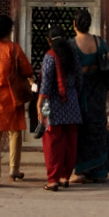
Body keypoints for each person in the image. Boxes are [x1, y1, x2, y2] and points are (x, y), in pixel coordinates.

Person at [0, 13, 33, 187]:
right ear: (8, 30)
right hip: (12, 95)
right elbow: (26, 69)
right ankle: (14, 169)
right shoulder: (14, 48)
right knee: (15, 132)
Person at [70, 8, 109, 182]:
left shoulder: (71, 45)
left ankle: (82, 171)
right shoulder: (100, 43)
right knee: (98, 128)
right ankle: (99, 171)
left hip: (79, 93)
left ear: (74, 25)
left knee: (81, 130)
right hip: (98, 92)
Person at [37, 23, 83, 191]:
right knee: (70, 143)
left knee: (52, 143)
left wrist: (39, 103)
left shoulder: (50, 57)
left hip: (53, 105)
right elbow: (79, 80)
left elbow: (46, 84)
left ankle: (53, 179)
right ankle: (65, 177)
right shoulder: (74, 56)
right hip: (71, 103)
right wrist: (74, 96)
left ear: (49, 41)